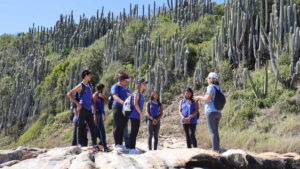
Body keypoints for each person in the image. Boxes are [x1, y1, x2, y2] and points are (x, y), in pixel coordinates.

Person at [67, 70, 100, 152]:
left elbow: (90, 98)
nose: (91, 76)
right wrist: (77, 104)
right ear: (85, 76)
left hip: (89, 109)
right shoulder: (80, 85)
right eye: (89, 75)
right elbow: (69, 94)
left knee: (92, 127)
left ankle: (94, 144)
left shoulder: (89, 86)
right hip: (82, 109)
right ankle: (79, 144)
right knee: (80, 126)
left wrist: (93, 107)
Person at [195, 72, 222, 153]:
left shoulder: (210, 87)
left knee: (212, 131)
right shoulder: (219, 87)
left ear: (210, 79)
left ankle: (215, 150)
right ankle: (217, 148)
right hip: (218, 112)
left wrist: (199, 97)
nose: (208, 80)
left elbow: (207, 98)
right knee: (216, 131)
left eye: (208, 78)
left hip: (210, 111)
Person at [110, 72, 131, 150]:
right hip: (117, 108)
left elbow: (129, 96)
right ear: (121, 80)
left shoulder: (125, 88)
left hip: (124, 109)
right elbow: (115, 96)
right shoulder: (115, 86)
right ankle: (117, 144)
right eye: (126, 80)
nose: (127, 82)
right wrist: (123, 102)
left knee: (122, 126)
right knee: (117, 126)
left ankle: (121, 144)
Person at [128, 78, 148, 154]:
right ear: (140, 84)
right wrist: (140, 113)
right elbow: (135, 104)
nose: (145, 85)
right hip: (134, 114)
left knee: (135, 131)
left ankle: (132, 147)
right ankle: (131, 149)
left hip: (137, 115)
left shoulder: (140, 93)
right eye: (144, 83)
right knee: (133, 131)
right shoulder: (136, 93)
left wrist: (139, 113)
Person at [92, 84, 111, 152]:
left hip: (101, 113)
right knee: (101, 130)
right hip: (97, 113)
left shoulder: (101, 95)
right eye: (103, 88)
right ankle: (104, 147)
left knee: (99, 130)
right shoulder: (95, 95)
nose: (104, 90)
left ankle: (99, 146)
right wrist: (94, 115)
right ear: (101, 88)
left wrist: (103, 97)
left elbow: (106, 101)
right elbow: (93, 105)